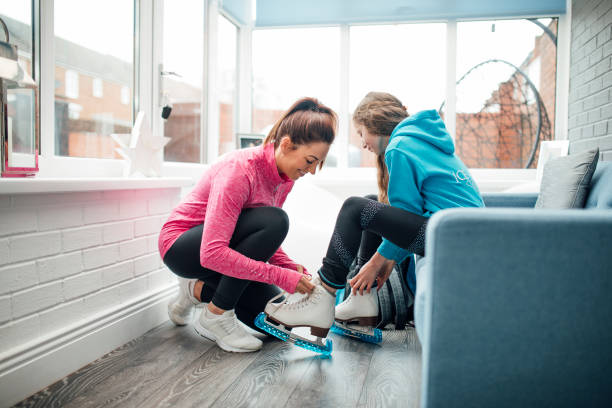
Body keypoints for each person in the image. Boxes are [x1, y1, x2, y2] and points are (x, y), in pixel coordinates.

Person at [260, 91, 484, 349]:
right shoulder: (422, 139)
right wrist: (386, 257)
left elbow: (406, 212)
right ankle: (363, 299)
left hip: (452, 236)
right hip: (462, 233)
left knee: (355, 208)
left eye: (360, 132)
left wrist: (377, 262)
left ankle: (322, 299)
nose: (362, 143)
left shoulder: (400, 146)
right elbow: (404, 216)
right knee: (371, 203)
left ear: (373, 123)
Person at [159, 97, 337, 353]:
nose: (310, 170)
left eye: (317, 163)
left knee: (274, 325)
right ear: (286, 145)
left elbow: (257, 238)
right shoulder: (240, 171)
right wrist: (282, 276)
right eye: (309, 161)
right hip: (182, 247)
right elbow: (213, 251)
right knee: (276, 221)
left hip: (218, 249)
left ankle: (195, 291)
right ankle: (216, 315)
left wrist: (289, 267)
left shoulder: (285, 177)